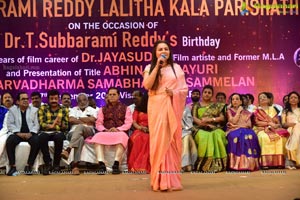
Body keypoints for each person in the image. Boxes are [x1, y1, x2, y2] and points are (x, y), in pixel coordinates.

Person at [143, 40, 188, 191]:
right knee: (159, 142)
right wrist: (157, 66)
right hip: (156, 106)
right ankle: (159, 180)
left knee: (171, 142)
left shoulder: (177, 68)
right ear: (155, 53)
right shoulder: (150, 67)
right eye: (160, 49)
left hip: (171, 105)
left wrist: (173, 93)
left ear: (170, 52)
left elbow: (184, 90)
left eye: (166, 49)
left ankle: (171, 179)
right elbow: (147, 85)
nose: (163, 51)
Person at [86, 87, 133, 175]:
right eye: (110, 94)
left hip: (120, 132)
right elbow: (98, 123)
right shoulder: (102, 109)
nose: (111, 96)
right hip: (106, 132)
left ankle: (116, 164)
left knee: (122, 137)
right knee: (97, 136)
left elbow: (128, 123)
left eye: (114, 94)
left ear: (119, 96)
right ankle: (101, 164)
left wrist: (118, 129)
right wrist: (104, 130)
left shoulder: (126, 108)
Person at [192, 85, 227, 172]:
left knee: (218, 134)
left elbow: (222, 118)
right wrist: (202, 123)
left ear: (212, 95)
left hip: (214, 127)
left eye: (209, 93)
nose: (207, 94)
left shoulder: (216, 105)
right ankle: (203, 164)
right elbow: (193, 117)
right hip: (199, 127)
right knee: (204, 136)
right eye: (205, 92)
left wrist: (211, 120)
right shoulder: (196, 105)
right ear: (202, 94)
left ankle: (218, 164)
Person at [61, 93, 97, 175]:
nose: (82, 102)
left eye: (84, 100)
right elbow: (71, 120)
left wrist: (78, 119)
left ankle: (68, 149)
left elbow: (92, 119)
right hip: (73, 133)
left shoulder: (93, 110)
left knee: (80, 126)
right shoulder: (73, 109)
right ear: (77, 102)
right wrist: (86, 120)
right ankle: (75, 166)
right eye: (80, 100)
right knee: (79, 138)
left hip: (88, 131)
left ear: (87, 101)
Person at [6, 92, 40, 176]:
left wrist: (31, 133)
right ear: (17, 102)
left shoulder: (34, 110)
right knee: (10, 141)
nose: (25, 101)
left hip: (30, 134)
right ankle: (13, 167)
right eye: (23, 99)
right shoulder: (12, 110)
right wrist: (18, 133)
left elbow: (37, 124)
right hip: (18, 134)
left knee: (37, 141)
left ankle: (29, 166)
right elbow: (10, 124)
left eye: (27, 99)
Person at [253, 92, 289, 169]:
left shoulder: (273, 109)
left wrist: (276, 125)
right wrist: (269, 123)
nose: (262, 99)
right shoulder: (256, 111)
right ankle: (266, 163)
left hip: (274, 129)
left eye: (264, 97)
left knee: (280, 138)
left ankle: (279, 162)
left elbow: (277, 121)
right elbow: (257, 122)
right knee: (264, 137)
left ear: (269, 100)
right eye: (260, 98)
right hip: (262, 129)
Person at [226, 93, 260, 171]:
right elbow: (233, 121)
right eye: (233, 99)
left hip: (245, 129)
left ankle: (249, 164)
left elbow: (248, 124)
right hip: (233, 130)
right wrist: (238, 112)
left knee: (251, 135)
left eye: (237, 99)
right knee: (238, 136)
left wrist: (240, 126)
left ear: (241, 102)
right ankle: (236, 164)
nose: (235, 101)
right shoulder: (229, 111)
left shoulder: (247, 112)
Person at [38, 89, 69, 175]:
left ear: (59, 99)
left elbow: (66, 126)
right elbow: (42, 123)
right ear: (48, 99)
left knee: (59, 137)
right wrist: (51, 126)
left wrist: (61, 124)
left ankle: (56, 164)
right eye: (51, 99)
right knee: (41, 137)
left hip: (58, 132)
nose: (54, 101)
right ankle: (48, 163)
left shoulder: (64, 109)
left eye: (55, 98)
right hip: (46, 132)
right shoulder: (42, 108)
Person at [127, 93, 150, 173]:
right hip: (139, 130)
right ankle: (138, 166)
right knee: (141, 138)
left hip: (153, 130)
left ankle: (147, 166)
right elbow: (134, 122)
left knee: (149, 138)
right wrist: (141, 128)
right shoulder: (138, 109)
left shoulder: (156, 108)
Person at [281, 91, 300, 169]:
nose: (293, 99)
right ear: (288, 100)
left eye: (295, 97)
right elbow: (283, 124)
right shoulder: (285, 111)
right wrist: (292, 124)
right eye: (291, 98)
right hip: (290, 129)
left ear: (298, 100)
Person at [181, 106, 197, 172]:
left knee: (187, 137)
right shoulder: (170, 106)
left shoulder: (186, 108)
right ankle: (186, 165)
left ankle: (185, 164)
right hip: (173, 130)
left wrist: (186, 128)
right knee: (187, 137)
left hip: (185, 130)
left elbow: (189, 121)